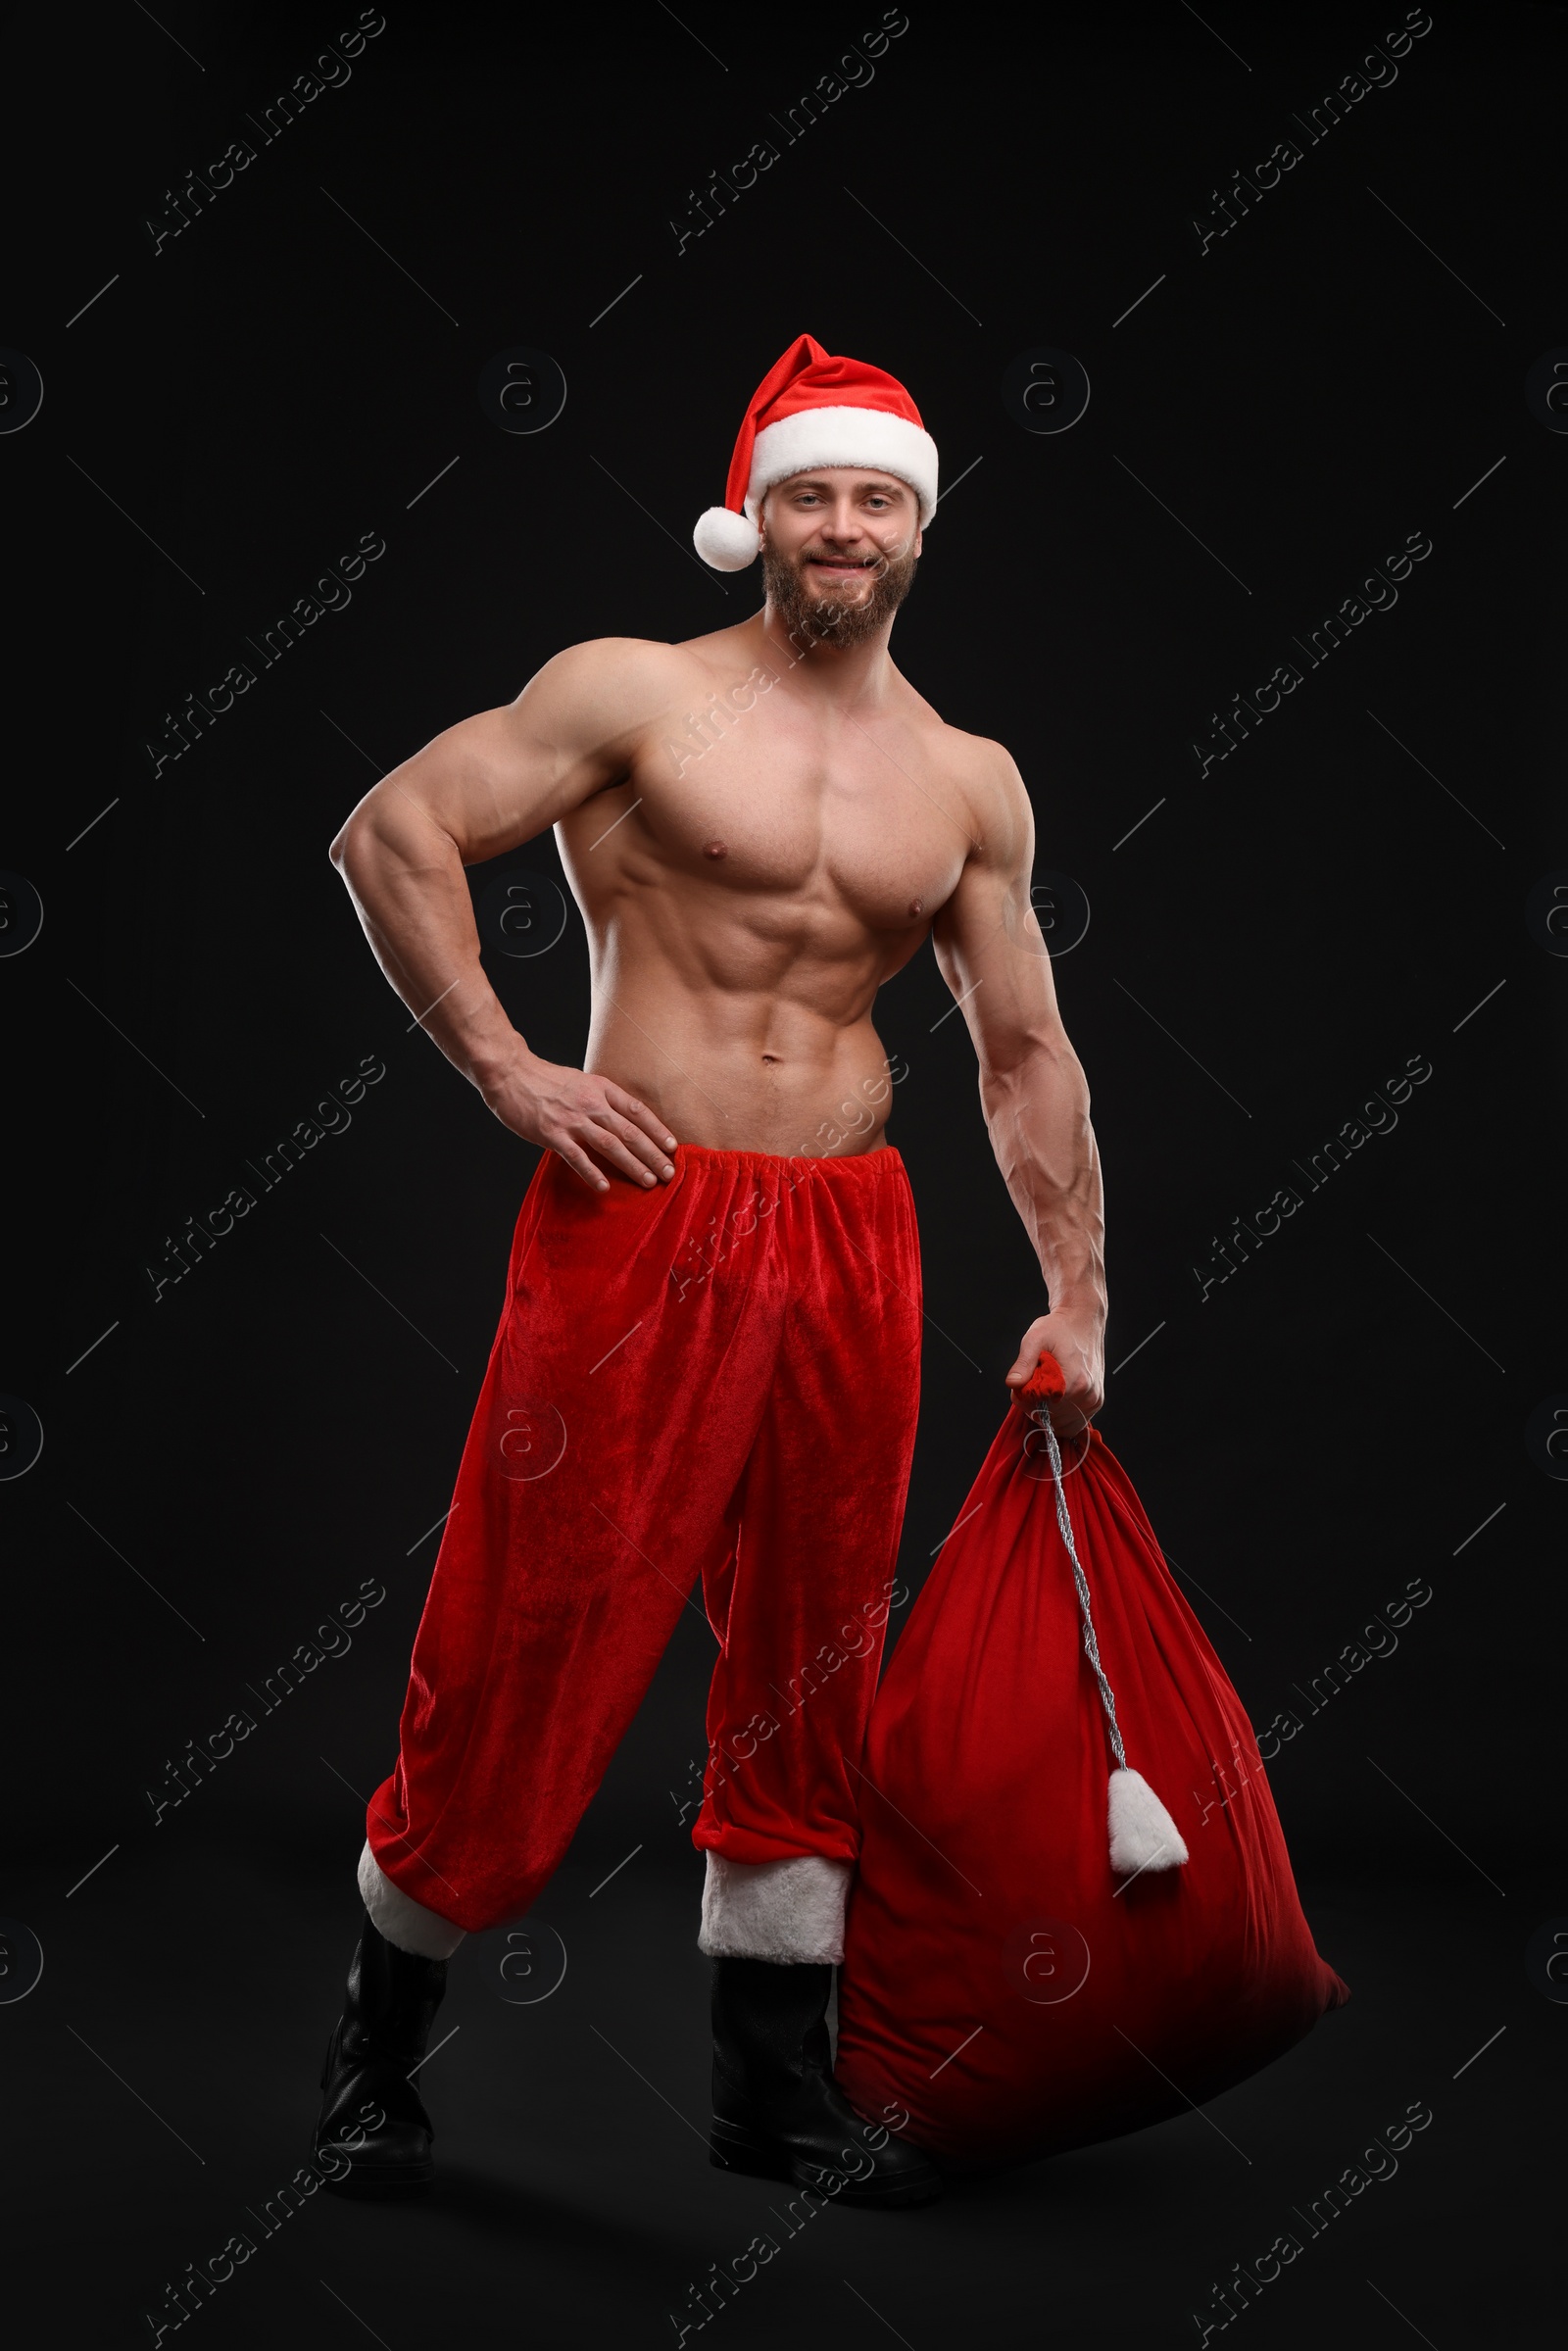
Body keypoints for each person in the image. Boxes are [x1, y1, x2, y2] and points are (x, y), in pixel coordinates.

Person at [312, 333, 1107, 2204]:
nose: (844, 526)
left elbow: (1024, 1052)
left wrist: (1078, 1295)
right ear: (754, 516)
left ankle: (774, 2091)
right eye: (812, 495)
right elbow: (393, 828)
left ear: (919, 528)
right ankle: (374, 2043)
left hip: (852, 1231)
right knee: (533, 1621)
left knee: (820, 1646)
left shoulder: (968, 780)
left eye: (876, 499)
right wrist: (511, 1067)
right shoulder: (635, 694)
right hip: (645, 1211)